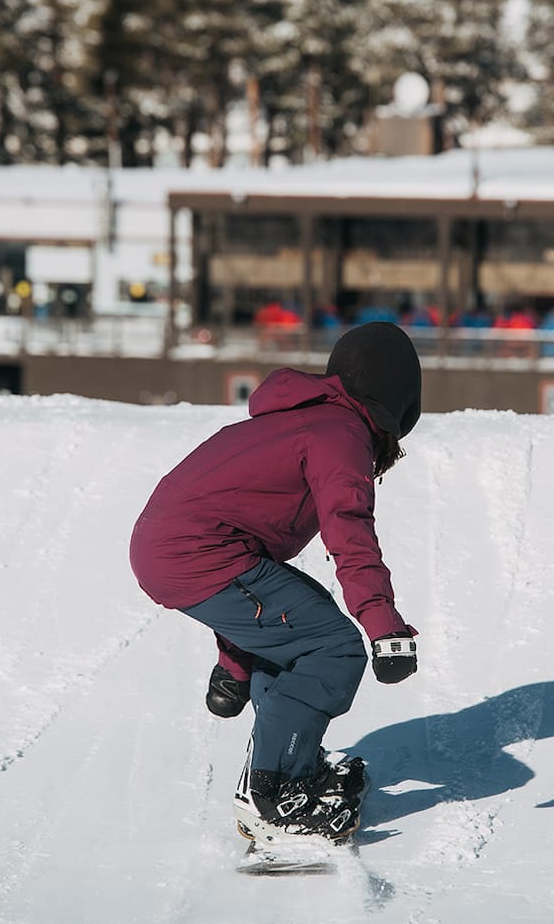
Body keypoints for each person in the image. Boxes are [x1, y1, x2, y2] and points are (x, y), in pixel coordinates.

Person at [129, 321, 422, 843]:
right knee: (333, 648)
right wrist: (383, 627)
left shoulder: (301, 422)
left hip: (179, 547)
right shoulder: (340, 434)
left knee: (294, 638)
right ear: (396, 400)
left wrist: (234, 665)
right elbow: (348, 531)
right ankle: (273, 796)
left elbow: (253, 575)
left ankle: (293, 770)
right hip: (195, 552)